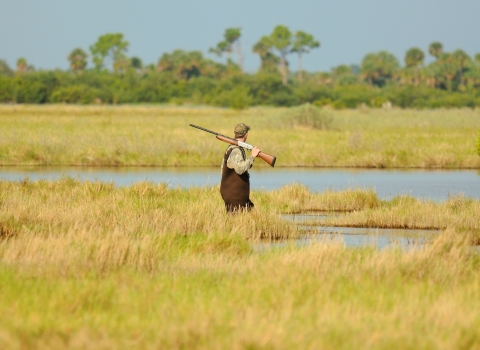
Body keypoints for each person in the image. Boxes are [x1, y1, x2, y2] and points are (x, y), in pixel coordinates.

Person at [220, 123, 260, 213]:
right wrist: (252, 156)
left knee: (250, 213)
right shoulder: (236, 150)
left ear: (235, 133)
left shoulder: (233, 148)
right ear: (246, 135)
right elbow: (240, 169)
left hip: (236, 194)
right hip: (234, 195)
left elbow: (223, 169)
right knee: (237, 221)